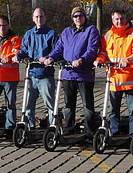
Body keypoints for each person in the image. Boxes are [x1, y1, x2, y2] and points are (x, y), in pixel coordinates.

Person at [42, 7, 100, 139]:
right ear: (72, 18)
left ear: (84, 17)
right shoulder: (67, 32)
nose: (78, 18)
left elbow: (92, 49)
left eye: (80, 16)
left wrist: (82, 59)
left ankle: (90, 132)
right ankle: (69, 129)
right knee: (68, 105)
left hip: (84, 74)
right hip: (68, 73)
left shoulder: (91, 30)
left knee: (88, 106)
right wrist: (51, 57)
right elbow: (59, 48)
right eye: (75, 16)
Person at [93, 10, 133, 137]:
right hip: (113, 79)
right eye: (116, 19)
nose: (119, 21)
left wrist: (128, 61)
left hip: (129, 79)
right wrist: (99, 60)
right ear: (112, 20)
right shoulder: (107, 36)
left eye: (121, 19)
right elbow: (104, 52)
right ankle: (114, 135)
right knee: (113, 111)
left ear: (126, 19)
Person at [12, 8, 58, 130]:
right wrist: (18, 56)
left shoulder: (51, 34)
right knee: (28, 105)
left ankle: (53, 127)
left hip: (45, 75)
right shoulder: (28, 34)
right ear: (33, 18)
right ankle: (30, 128)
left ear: (45, 17)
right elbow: (24, 50)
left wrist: (48, 58)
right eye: (37, 17)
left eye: (41, 17)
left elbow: (56, 51)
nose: (39, 19)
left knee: (50, 105)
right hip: (31, 74)